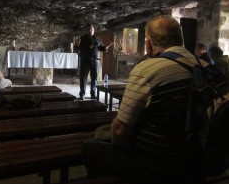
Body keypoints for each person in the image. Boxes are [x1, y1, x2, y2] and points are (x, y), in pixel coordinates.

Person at [83, 16, 208, 184]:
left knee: (91, 149)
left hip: (157, 164)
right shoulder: (204, 66)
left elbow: (120, 132)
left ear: (148, 44)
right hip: (195, 160)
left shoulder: (147, 69)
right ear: (180, 39)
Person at [74, 24, 113, 100]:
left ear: (94, 30)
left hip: (95, 60)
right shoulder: (82, 38)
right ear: (86, 30)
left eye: (91, 29)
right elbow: (77, 50)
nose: (90, 30)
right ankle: (82, 94)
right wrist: (77, 45)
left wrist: (106, 47)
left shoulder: (97, 39)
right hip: (84, 60)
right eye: (88, 29)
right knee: (83, 78)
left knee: (94, 78)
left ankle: (93, 93)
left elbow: (101, 48)